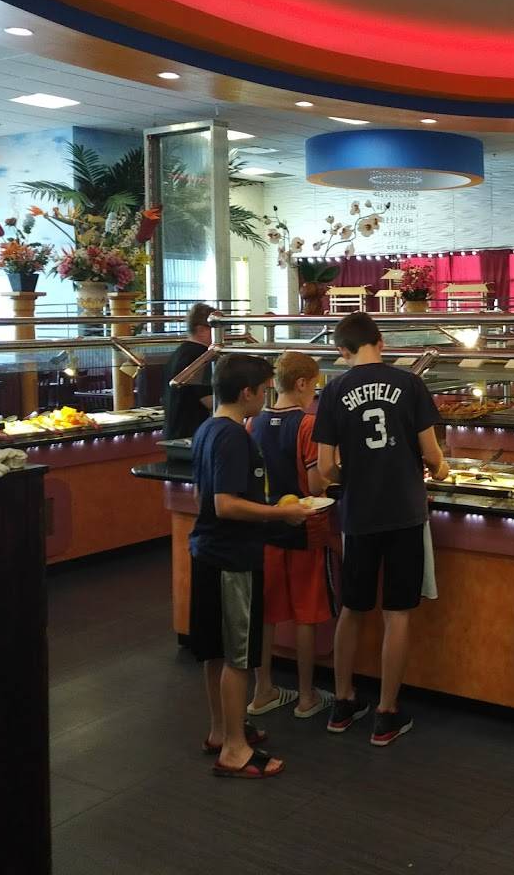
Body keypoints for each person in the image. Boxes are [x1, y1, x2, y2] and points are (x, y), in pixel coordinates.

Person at [314, 311, 449, 746]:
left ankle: (342, 702)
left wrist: (352, 477)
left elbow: (325, 468)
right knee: (397, 613)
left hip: (359, 515)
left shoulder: (333, 390)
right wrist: (441, 469)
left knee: (352, 609)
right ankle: (387, 713)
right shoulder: (410, 383)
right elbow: (431, 453)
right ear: (381, 342)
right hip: (405, 512)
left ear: (342, 350)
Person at [190, 353, 310, 779]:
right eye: (263, 391)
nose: (266, 398)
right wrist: (281, 513)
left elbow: (204, 498)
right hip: (233, 558)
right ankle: (235, 751)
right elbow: (225, 504)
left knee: (215, 651)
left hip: (208, 551)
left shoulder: (208, 429)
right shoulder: (233, 437)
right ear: (246, 393)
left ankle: (222, 731)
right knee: (239, 656)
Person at [247, 351, 335, 720]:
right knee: (305, 613)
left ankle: (262, 690)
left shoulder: (253, 422)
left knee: (266, 612)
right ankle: (306, 696)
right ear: (301, 384)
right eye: (314, 386)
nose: (314, 393)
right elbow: (315, 484)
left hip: (265, 525)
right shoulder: (308, 425)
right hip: (302, 526)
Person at [163, 303, 215, 439]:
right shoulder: (202, 356)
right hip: (193, 432)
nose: (223, 335)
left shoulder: (179, 352)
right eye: (216, 329)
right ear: (201, 330)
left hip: (174, 430)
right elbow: (209, 400)